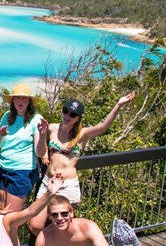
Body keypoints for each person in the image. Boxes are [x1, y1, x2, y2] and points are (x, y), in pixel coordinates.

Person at [28, 92, 136, 235]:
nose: (67, 116)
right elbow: (41, 152)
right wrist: (42, 137)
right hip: (49, 181)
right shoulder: (52, 128)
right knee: (35, 224)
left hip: (67, 184)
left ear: (78, 118)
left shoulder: (82, 134)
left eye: (72, 114)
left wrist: (118, 104)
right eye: (65, 111)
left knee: (65, 227)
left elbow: (103, 127)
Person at [0, 83, 48, 212]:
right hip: (2, 169)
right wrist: (0, 136)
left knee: (10, 217)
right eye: (17, 97)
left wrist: (42, 135)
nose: (21, 101)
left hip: (22, 172)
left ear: (29, 101)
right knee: (0, 214)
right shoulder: (7, 116)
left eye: (24, 98)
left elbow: (40, 153)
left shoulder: (36, 119)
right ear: (13, 101)